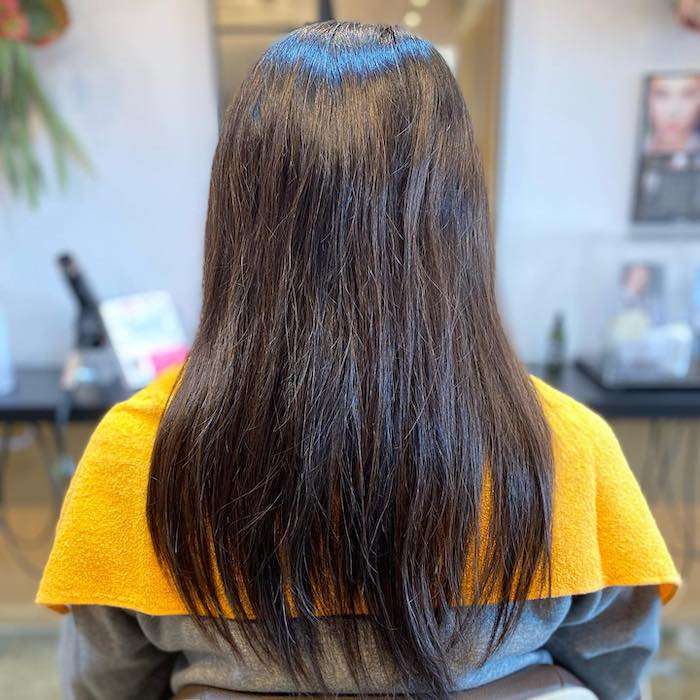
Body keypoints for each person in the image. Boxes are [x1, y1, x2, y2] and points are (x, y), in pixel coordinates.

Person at [38, 21, 679, 700]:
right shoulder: (562, 449)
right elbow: (615, 673)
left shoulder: (140, 455)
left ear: (238, 213)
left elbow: (106, 687)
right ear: (456, 214)